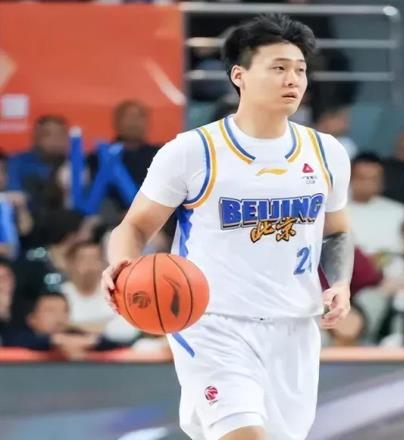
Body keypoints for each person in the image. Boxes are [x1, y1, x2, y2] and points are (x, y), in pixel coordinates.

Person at [102, 14, 353, 440]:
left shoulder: (327, 152)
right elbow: (134, 226)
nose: (293, 79)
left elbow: (337, 231)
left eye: (300, 69)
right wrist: (124, 267)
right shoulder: (192, 151)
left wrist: (340, 283)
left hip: (295, 324)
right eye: (278, 68)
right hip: (212, 323)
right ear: (239, 76)